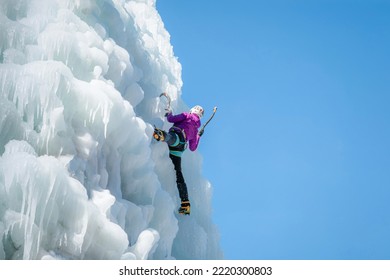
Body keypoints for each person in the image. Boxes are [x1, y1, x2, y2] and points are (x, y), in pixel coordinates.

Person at [153, 105, 205, 215]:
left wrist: (170, 113)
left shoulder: (187, 115)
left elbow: (171, 119)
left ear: (192, 110)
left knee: (171, 138)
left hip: (177, 136)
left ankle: (161, 135)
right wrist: (199, 136)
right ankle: (185, 203)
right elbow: (192, 148)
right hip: (180, 148)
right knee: (178, 173)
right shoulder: (195, 129)